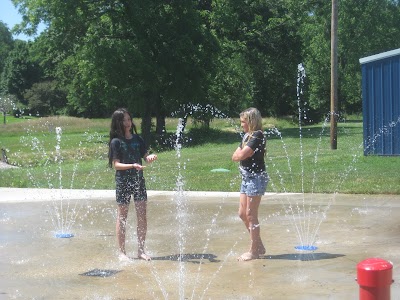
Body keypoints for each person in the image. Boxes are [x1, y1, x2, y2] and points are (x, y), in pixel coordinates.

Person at [108, 108, 157, 261]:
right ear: (118, 123)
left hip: (138, 181)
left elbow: (145, 155)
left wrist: (149, 157)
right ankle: (122, 252)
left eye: (129, 119)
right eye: (124, 120)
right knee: (122, 217)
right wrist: (132, 165)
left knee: (142, 215)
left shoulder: (138, 139)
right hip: (123, 182)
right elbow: (116, 165)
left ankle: (141, 250)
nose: (128, 123)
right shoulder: (116, 142)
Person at [232, 107, 269, 261]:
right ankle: (258, 245)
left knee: (251, 215)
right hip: (246, 178)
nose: (242, 125)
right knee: (242, 214)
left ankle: (254, 251)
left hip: (256, 178)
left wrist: (238, 154)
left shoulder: (258, 136)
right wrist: (238, 155)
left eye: (244, 122)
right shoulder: (248, 136)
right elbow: (237, 155)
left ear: (251, 121)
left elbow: (240, 154)